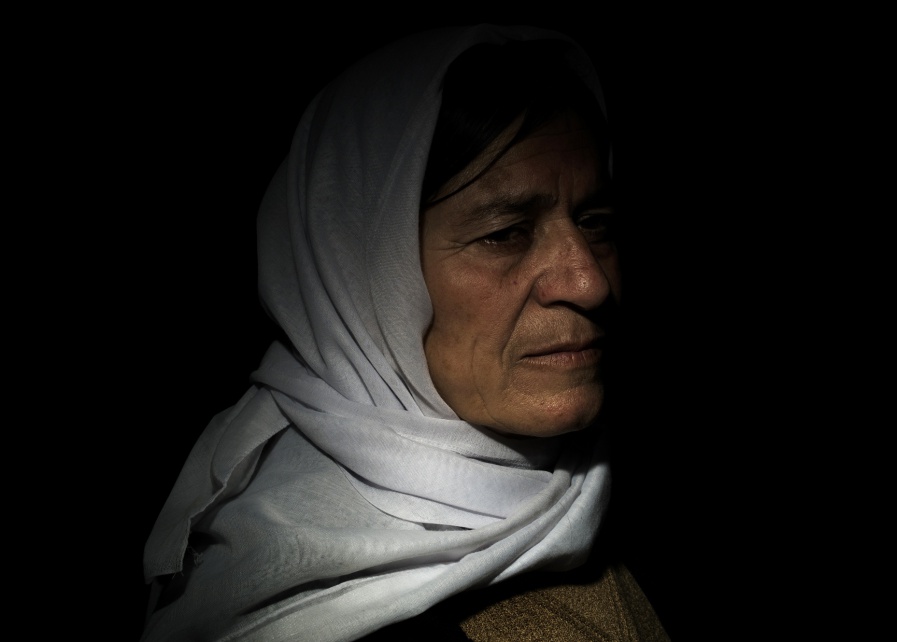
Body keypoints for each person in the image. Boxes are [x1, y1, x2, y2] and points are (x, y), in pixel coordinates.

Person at [140, 24, 669, 641]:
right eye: (505, 234)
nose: (589, 283)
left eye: (596, 221)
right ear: (361, 278)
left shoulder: (605, 490)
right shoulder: (292, 604)